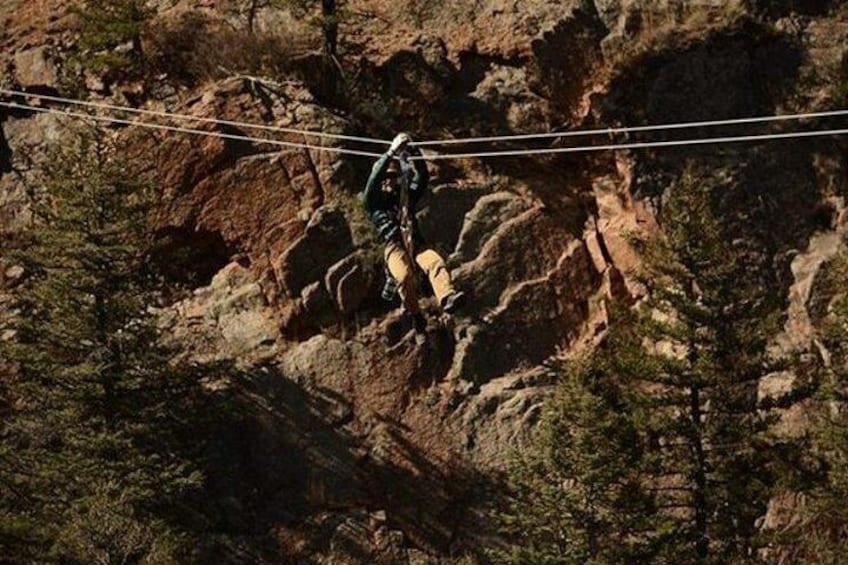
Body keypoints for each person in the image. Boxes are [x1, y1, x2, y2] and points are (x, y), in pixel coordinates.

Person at [362, 133, 465, 330]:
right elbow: (373, 182)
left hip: (416, 243)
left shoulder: (405, 196)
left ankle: (447, 298)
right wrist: (391, 153)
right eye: (386, 178)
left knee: (435, 261)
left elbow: (422, 177)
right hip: (394, 247)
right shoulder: (373, 203)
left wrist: (414, 151)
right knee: (403, 277)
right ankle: (415, 314)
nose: (389, 182)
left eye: (393, 177)